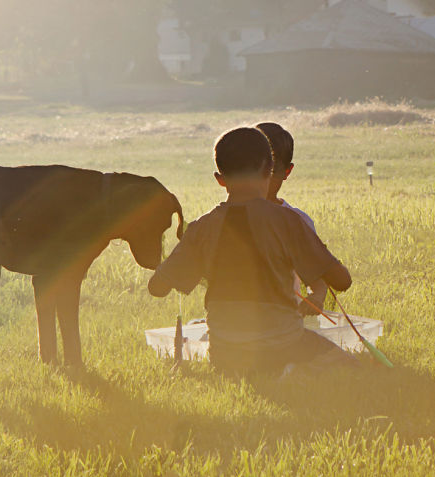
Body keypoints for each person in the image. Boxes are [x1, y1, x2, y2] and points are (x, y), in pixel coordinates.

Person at [148, 127, 353, 376]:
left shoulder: (202, 227)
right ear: (269, 171)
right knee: (351, 367)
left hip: (224, 352)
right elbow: (343, 281)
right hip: (283, 342)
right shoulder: (286, 220)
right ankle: (290, 371)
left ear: (220, 179)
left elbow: (156, 288)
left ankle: (275, 373)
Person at [256, 121, 327, 315]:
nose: (264, 181)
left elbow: (317, 280)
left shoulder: (297, 221)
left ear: (287, 171)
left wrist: (316, 297)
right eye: (257, 172)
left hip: (284, 321)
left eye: (272, 173)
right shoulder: (226, 217)